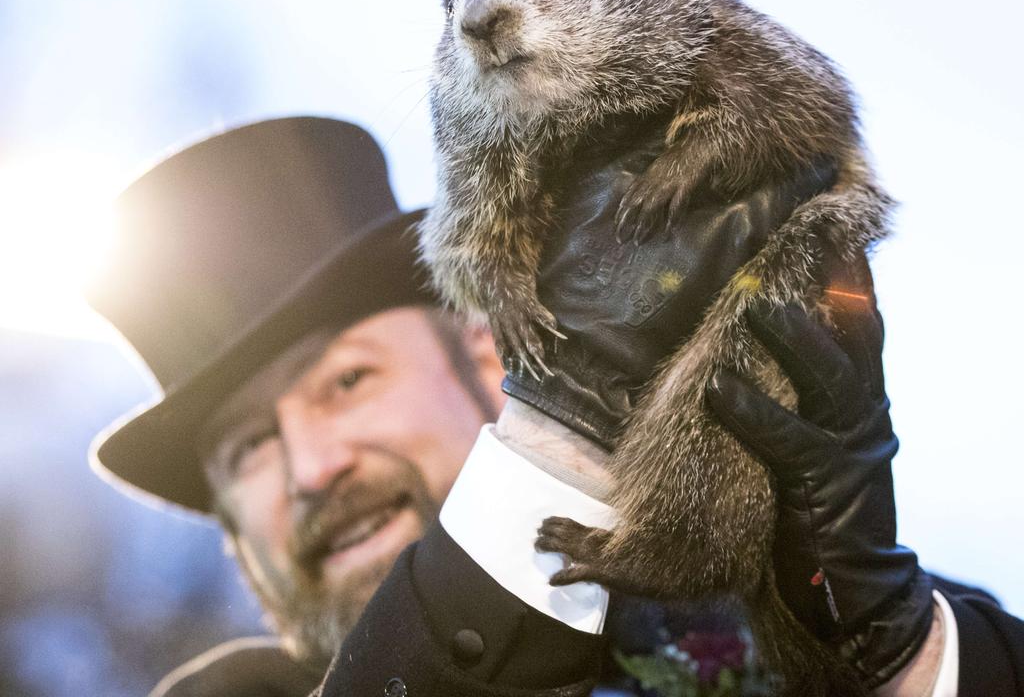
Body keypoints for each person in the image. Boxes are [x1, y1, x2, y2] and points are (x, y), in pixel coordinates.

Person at [88, 116, 1023, 697]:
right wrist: (559, 447)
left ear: (491, 355)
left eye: (348, 381)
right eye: (248, 447)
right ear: (231, 538)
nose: (312, 468)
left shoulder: (785, 606)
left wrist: (890, 660)